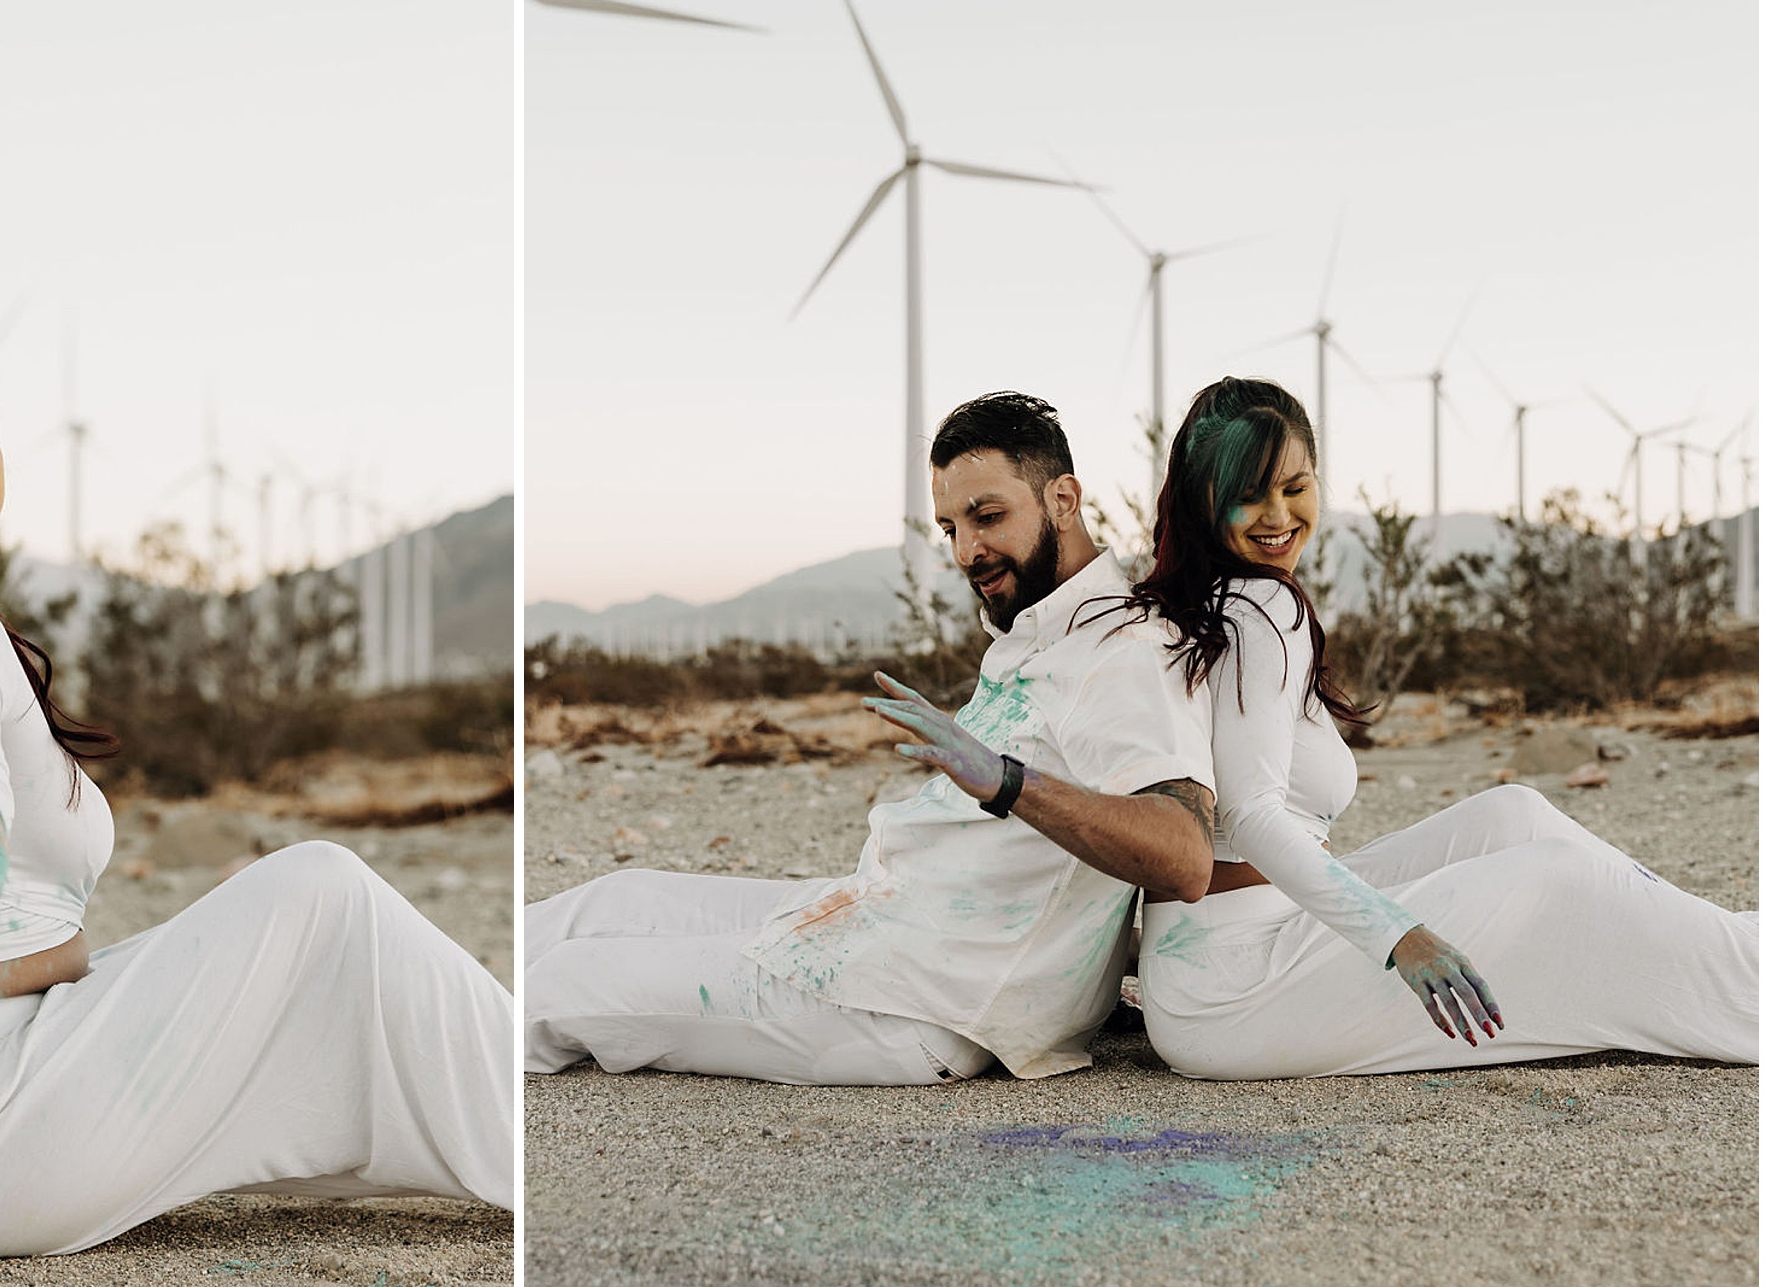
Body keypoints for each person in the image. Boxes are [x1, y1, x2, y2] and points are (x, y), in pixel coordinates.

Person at [0, 323, 511, 1259]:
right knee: (322, 888)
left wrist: (45, 957)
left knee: (297, 941)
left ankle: (495, 1102)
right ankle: (527, 1138)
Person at [526, 392, 1216, 1086]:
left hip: (921, 1004)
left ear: (1063, 499)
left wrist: (1009, 780)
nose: (967, 550)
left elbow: (1184, 853)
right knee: (615, 901)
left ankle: (434, 1091)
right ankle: (436, 983)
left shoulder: (1124, 649)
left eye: (988, 516)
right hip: (878, 921)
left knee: (566, 983)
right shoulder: (1040, 626)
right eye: (949, 526)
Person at [1127, 375, 1757, 1078]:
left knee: (1511, 813)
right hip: (1235, 987)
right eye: (1250, 492)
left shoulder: (1202, 604)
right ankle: (1745, 978)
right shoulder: (1259, 609)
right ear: (1202, 497)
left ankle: (1734, 944)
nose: (1278, 514)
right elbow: (1248, 816)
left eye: (1294, 486)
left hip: (1215, 960)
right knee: (1560, 878)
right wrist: (1400, 935)